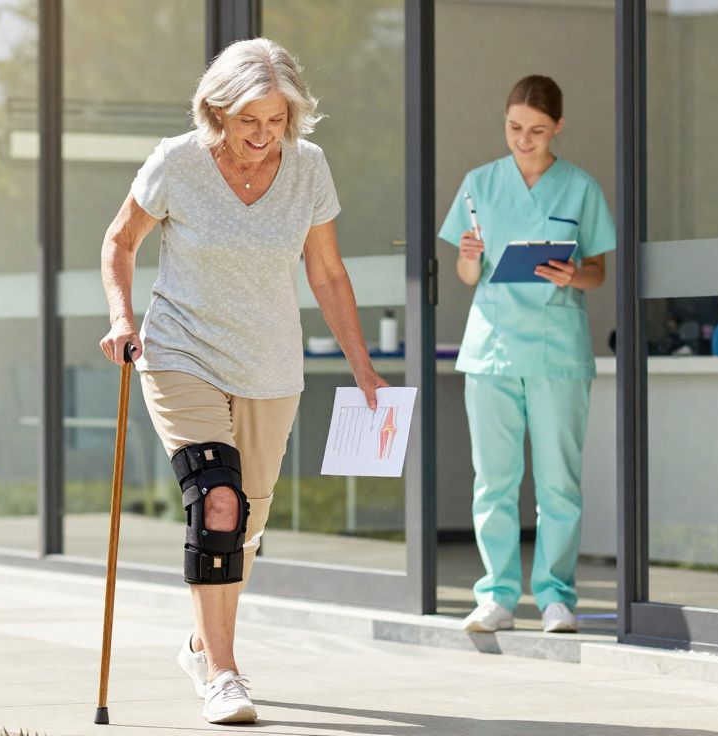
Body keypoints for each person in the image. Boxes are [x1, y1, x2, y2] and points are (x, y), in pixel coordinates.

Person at [98, 38, 385, 724]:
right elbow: (120, 241)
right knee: (216, 499)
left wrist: (362, 364)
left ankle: (201, 642)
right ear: (217, 112)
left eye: (276, 121)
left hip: (269, 364)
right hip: (180, 352)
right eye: (248, 121)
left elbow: (328, 273)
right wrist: (121, 318)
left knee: (245, 522)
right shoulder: (177, 162)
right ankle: (224, 673)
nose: (262, 137)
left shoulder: (309, 169)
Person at [439, 75, 615, 635]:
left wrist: (573, 272)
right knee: (493, 481)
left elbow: (597, 273)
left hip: (557, 350)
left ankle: (557, 597)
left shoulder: (581, 188)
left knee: (559, 482)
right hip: (491, 350)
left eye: (537, 130)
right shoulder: (479, 184)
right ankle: (496, 596)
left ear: (557, 127)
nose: (524, 139)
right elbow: (470, 274)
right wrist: (469, 255)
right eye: (515, 128)